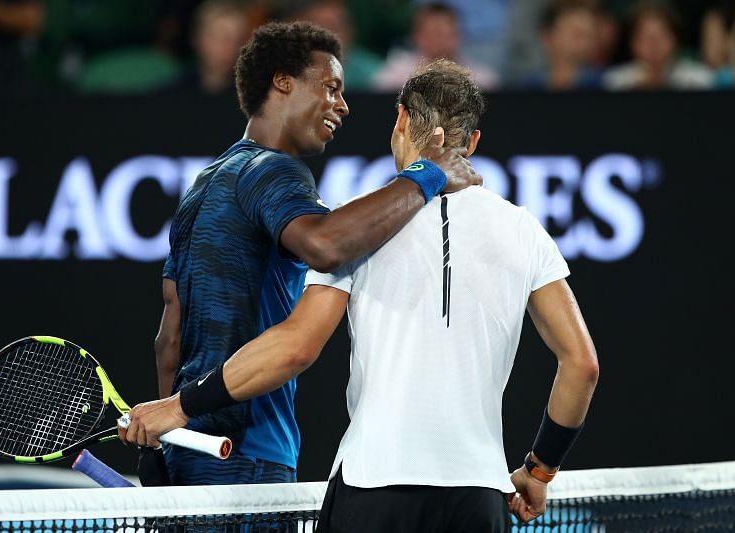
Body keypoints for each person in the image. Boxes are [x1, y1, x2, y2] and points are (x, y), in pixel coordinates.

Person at [120, 58, 599, 531]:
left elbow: (296, 346)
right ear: (472, 142)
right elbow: (581, 365)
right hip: (477, 495)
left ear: (401, 119)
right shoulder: (524, 230)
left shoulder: (356, 225)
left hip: (373, 487)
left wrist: (179, 406)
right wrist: (540, 470)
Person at [142, 21, 480, 487]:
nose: (343, 105)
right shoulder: (273, 170)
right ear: (283, 81)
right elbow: (325, 244)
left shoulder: (201, 187)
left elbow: (169, 339)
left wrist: (168, 434)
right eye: (331, 87)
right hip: (250, 457)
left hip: (191, 452)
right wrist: (428, 174)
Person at [374, 2, 499, 91]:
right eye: (433, 34)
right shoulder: (393, 78)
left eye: (446, 34)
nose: (440, 41)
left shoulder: (483, 81)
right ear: (416, 36)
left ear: (459, 36)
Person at [603, 1, 713, 90]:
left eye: (660, 37)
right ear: (632, 43)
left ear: (675, 40)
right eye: (646, 38)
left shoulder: (700, 80)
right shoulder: (615, 83)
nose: (653, 45)